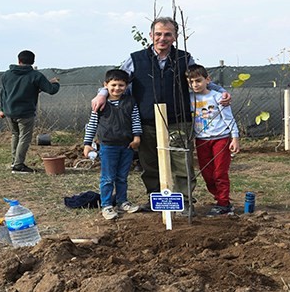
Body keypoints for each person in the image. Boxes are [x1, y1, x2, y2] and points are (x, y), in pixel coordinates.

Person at [90, 17, 230, 216]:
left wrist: (222, 92)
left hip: (178, 120)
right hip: (147, 122)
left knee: (182, 164)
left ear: (175, 37)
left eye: (167, 34)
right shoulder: (136, 59)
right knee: (150, 164)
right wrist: (102, 93)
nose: (162, 38)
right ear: (150, 35)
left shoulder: (184, 58)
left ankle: (185, 202)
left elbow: (199, 80)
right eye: (158, 34)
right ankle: (157, 199)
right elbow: (117, 81)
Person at [82, 69, 142, 220]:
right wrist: (87, 143)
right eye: (113, 85)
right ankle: (107, 205)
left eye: (121, 85)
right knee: (108, 177)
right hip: (108, 146)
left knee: (122, 176)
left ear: (126, 86)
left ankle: (122, 202)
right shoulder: (100, 103)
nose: (117, 88)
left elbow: (135, 120)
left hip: (127, 145)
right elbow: (92, 124)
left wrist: (136, 138)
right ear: (106, 85)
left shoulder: (130, 102)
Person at [186, 64, 240, 216]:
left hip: (220, 139)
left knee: (219, 172)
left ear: (207, 80)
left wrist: (234, 138)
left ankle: (223, 203)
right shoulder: (189, 99)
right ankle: (221, 199)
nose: (195, 85)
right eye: (191, 82)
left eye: (198, 81)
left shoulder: (217, 97)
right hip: (201, 140)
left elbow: (229, 118)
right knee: (207, 174)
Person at [0, 50, 60, 173]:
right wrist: (55, 83)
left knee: (15, 135)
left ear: (18, 60)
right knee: (24, 138)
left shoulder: (6, 75)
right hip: (25, 113)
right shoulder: (35, 75)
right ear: (33, 61)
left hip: (9, 112)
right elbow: (51, 90)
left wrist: (2, 109)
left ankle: (14, 162)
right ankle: (18, 165)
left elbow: (3, 93)